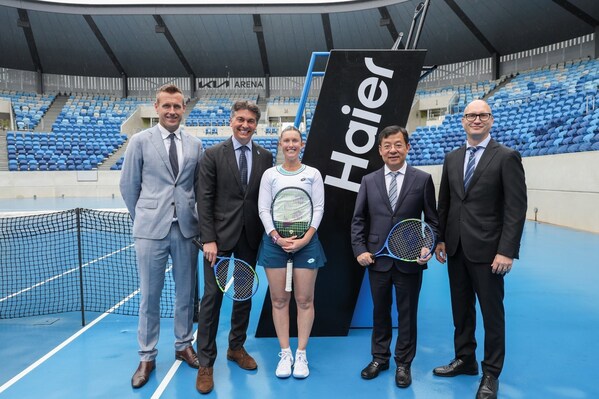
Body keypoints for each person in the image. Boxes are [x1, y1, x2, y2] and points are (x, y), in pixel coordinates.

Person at [433, 99, 527, 399]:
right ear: (462, 120)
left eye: (482, 115)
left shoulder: (507, 157)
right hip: (457, 248)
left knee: (491, 314)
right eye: (470, 115)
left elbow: (515, 208)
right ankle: (465, 359)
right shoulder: (451, 157)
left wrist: (507, 250)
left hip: (489, 251)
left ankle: (491, 373)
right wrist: (441, 239)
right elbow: (444, 203)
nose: (476, 119)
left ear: (491, 120)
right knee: (461, 310)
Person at [119, 84, 203, 389]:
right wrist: (145, 216)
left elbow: (196, 187)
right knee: (149, 297)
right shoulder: (139, 141)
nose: (171, 111)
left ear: (183, 109)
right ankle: (147, 355)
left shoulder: (195, 144)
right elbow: (129, 187)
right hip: (150, 231)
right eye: (166, 106)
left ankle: (183, 345)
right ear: (156, 108)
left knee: (186, 294)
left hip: (185, 230)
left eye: (177, 106)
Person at [351, 125, 438, 388]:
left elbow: (432, 222)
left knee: (407, 314)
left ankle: (404, 363)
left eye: (398, 144)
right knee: (380, 312)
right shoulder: (368, 181)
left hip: (410, 260)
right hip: (377, 259)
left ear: (407, 147)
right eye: (387, 145)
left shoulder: (422, 179)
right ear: (380, 150)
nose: (393, 150)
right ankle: (380, 358)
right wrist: (360, 250)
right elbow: (358, 221)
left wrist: (428, 246)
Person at [195, 100, 273, 394]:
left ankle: (236, 347)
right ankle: (206, 362)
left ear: (256, 124)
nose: (245, 125)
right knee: (212, 299)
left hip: (249, 238)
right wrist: (209, 239)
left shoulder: (265, 157)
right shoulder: (213, 154)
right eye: (240, 119)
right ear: (231, 120)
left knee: (243, 297)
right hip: (218, 241)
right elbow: (204, 199)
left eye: (250, 121)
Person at [256, 126, 326, 379]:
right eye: (286, 140)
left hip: (306, 244)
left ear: (302, 143)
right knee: (279, 300)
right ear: (281, 144)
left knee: (305, 300)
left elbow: (318, 208)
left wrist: (304, 239)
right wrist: (276, 237)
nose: (291, 144)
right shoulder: (270, 175)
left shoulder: (313, 174)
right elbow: (264, 209)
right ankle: (285, 353)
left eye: (295, 140)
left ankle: (301, 354)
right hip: (275, 245)